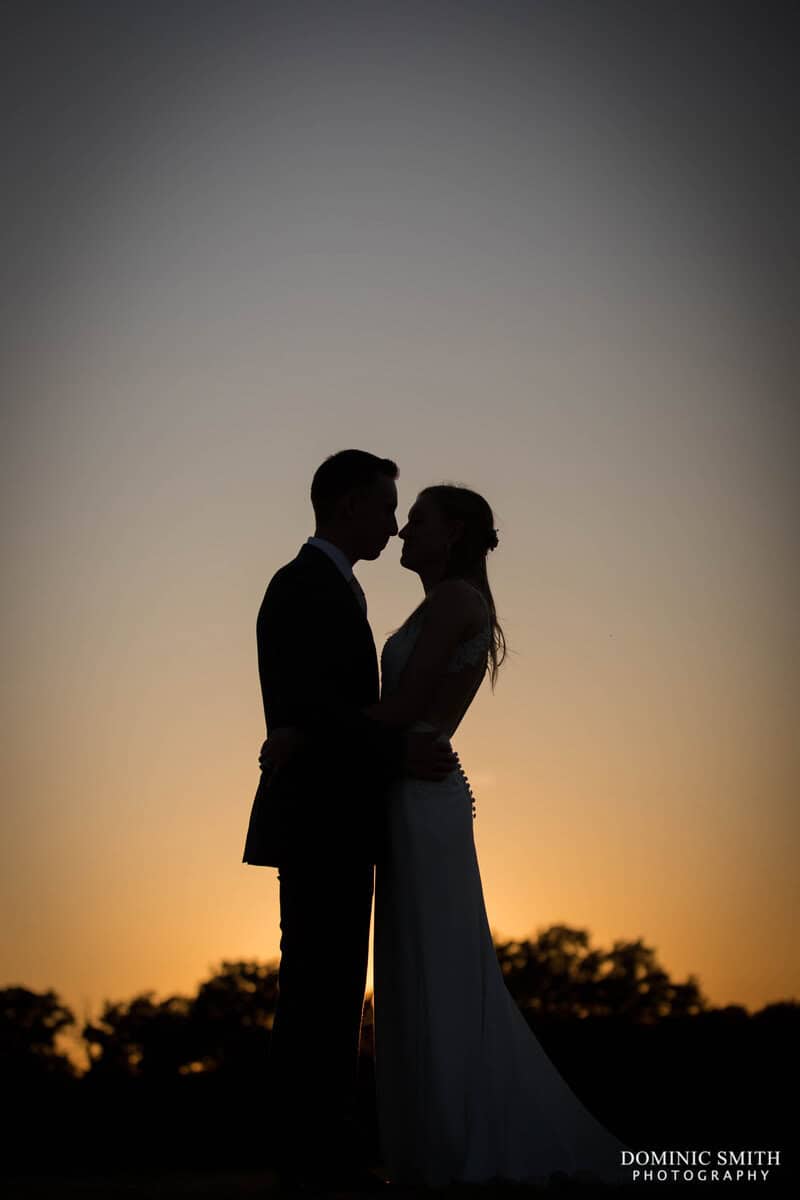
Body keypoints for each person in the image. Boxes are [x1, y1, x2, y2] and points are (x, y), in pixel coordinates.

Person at [260, 483, 632, 1189]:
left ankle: (461, 1136)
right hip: (401, 794)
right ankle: (428, 1139)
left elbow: (402, 706)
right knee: (407, 968)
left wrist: (305, 735)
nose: (404, 531)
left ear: (454, 531)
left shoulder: (459, 601)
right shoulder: (434, 604)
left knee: (437, 965)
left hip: (424, 797)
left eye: (419, 520)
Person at [242, 450, 457, 1193]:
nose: (395, 524)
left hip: (338, 816)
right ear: (350, 507)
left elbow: (317, 713)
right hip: (316, 817)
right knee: (314, 986)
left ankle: (322, 1147)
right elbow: (313, 705)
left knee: (330, 987)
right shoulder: (301, 585)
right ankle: (309, 1154)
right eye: (387, 507)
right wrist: (396, 748)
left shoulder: (336, 588)